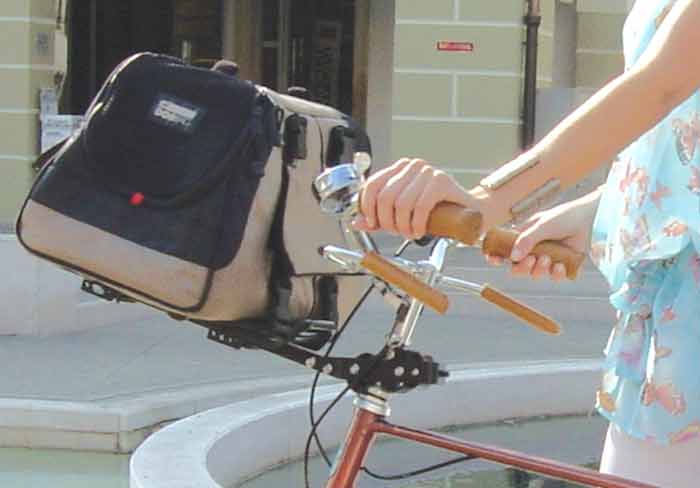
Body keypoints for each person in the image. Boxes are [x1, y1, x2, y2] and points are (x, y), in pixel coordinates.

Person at [354, 0, 700, 486]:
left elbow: (660, 86)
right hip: (670, 312)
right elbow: (675, 132)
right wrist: (594, 213)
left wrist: (487, 201)